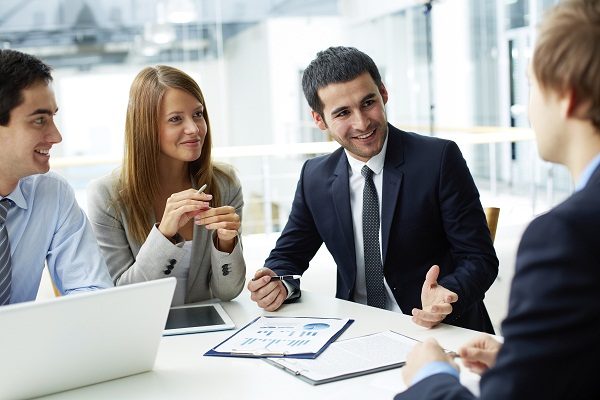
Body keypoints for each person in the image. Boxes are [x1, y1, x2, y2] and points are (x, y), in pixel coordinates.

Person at [397, 1, 600, 398]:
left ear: (567, 96)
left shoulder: (565, 235)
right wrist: (525, 359)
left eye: (531, 83)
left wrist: (430, 376)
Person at [247, 46, 498, 333]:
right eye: (343, 112)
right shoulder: (314, 177)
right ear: (319, 120)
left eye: (368, 103)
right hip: (356, 328)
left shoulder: (438, 159)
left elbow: (479, 259)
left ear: (384, 93)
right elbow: (288, 257)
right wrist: (277, 283)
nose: (362, 123)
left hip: (437, 327)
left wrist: (448, 294)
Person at [87, 65, 245, 305]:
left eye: (198, 114)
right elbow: (121, 297)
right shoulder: (107, 196)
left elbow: (228, 292)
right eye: (175, 119)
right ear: (146, 127)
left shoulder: (225, 183)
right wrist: (164, 235)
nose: (194, 129)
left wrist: (226, 242)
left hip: (207, 331)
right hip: (142, 333)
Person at [0, 49, 113, 305]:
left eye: (53, 117)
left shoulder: (51, 193)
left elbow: (91, 290)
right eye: (39, 120)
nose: (56, 137)